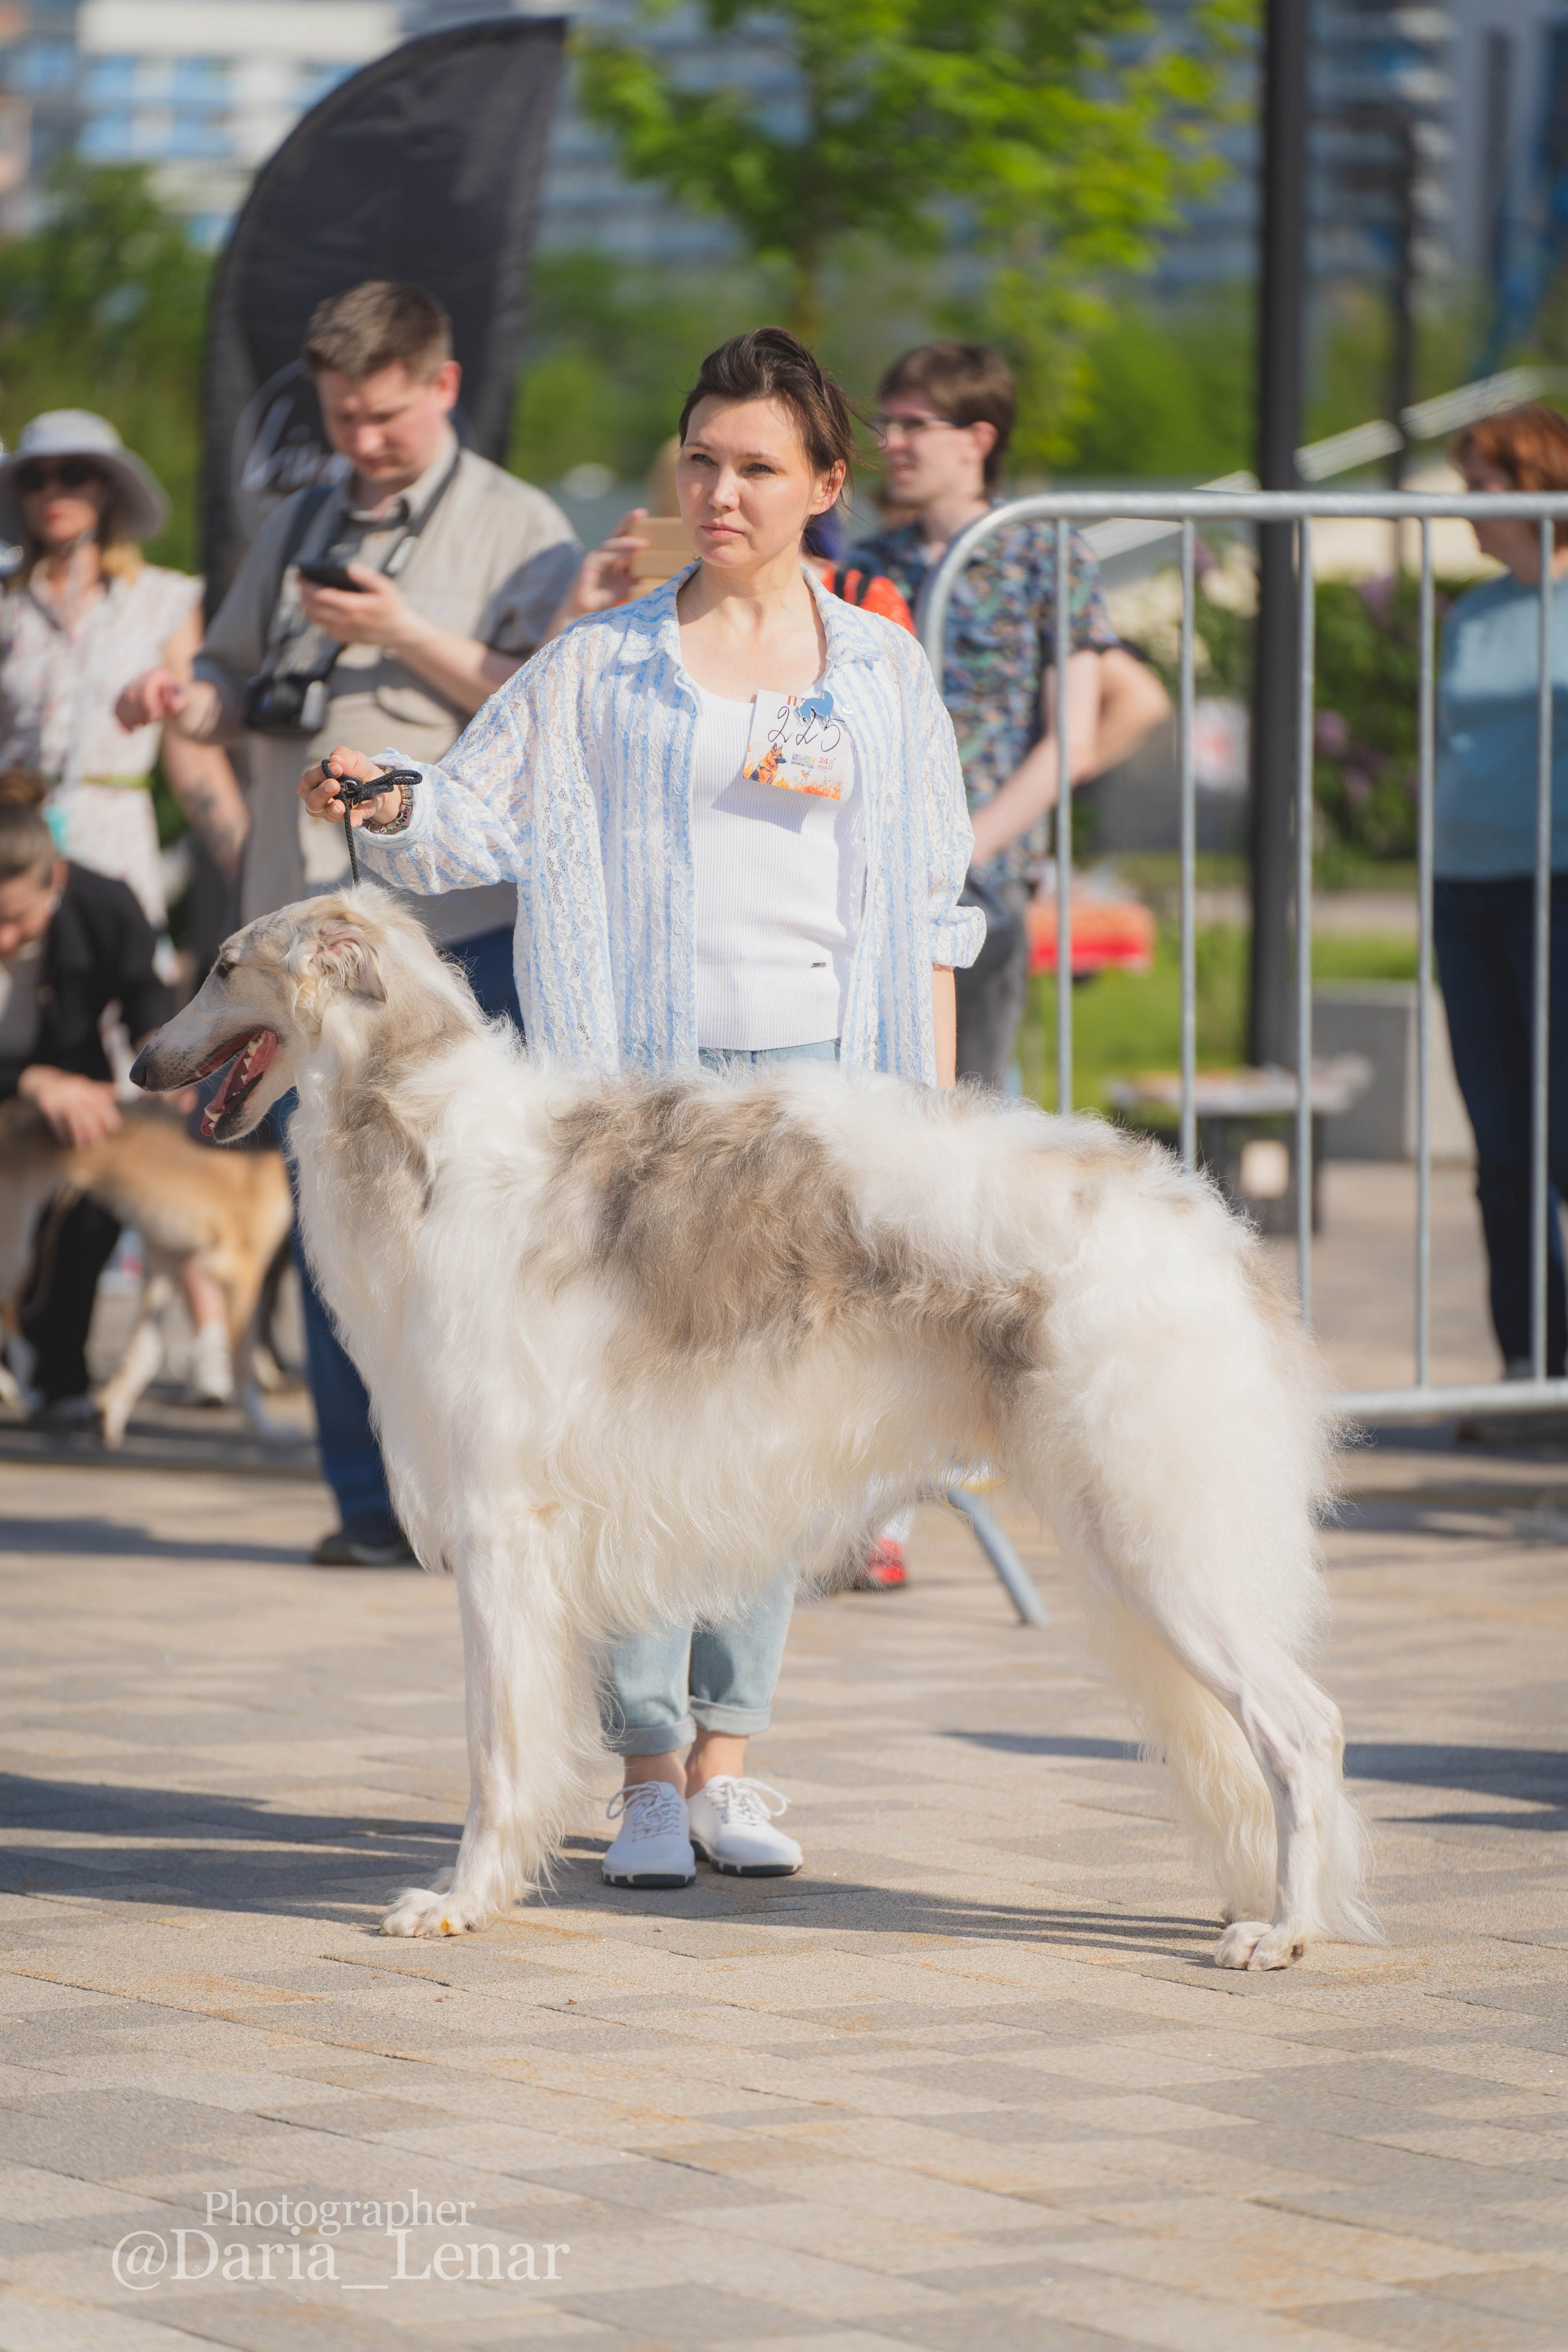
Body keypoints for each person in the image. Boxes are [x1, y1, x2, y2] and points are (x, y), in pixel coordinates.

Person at [299, 325, 982, 1887]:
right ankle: (646, 1770)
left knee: (770, 1427)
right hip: (632, 1102)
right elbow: (470, 809)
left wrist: (925, 1106)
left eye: (754, 467)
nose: (719, 490)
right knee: (618, 1425)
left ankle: (732, 1755)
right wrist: (386, 793)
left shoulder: (880, 666)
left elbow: (935, 905)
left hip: (822, 1098)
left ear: (823, 485)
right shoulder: (600, 660)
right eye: (701, 460)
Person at [118, 281, 582, 1564]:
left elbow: (534, 701)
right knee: (329, 1210)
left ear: (439, 387)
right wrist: (189, 699)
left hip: (452, 936)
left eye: (382, 418)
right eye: (340, 418)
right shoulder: (302, 515)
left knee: (460, 1221)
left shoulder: (521, 525)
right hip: (295, 922)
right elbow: (227, 670)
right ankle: (367, 1508)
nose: (359, 444)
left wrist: (400, 631)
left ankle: (476, 1492)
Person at [0, 412, 249, 1404]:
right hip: (12, 855)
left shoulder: (160, 602)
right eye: (37, 475)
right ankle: (41, 1346)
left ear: (108, 492)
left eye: (79, 474)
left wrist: (243, 857)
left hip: (108, 849)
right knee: (24, 1083)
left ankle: (93, 1348)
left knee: (123, 1099)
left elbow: (191, 753)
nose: (56, 490)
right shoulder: (6, 606)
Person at [852, 342, 1114, 1087]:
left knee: (970, 1099)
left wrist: (965, 850)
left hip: (984, 877)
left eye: (913, 424)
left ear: (977, 439)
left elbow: (1074, 741)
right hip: (876, 866)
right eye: (886, 423)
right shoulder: (871, 563)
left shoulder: (1045, 552)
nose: (889, 443)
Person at [1437, 405, 1568, 1425]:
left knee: (1559, 1130)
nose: (1468, 506)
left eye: (1481, 484)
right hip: (1467, 892)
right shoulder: (1474, 614)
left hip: (1558, 886)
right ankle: (1530, 1363)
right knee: (1501, 1140)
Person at [0, 779, 172, 1427]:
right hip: (25, 1090)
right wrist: (31, 1082)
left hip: (76, 1104)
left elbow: (147, 1002)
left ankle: (60, 1375)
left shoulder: (105, 905)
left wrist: (167, 1058)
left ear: (58, 879)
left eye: (18, 919)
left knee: (96, 1199)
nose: (5, 937)